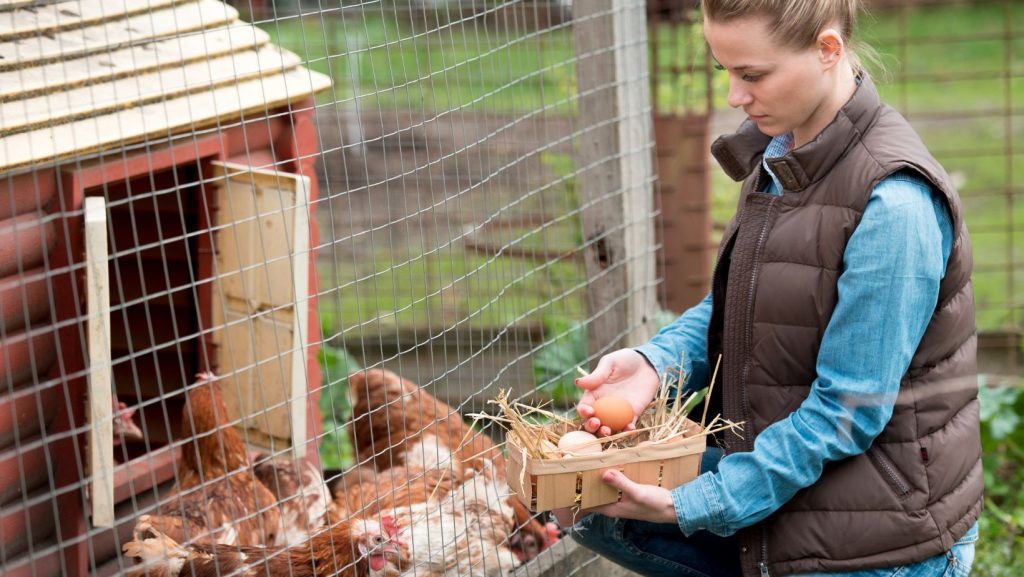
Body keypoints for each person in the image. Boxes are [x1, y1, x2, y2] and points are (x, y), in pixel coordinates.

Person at [562, 1, 982, 576]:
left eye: (752, 75)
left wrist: (697, 503)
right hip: (806, 480)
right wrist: (655, 365)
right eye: (725, 72)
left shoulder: (895, 204)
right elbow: (745, 303)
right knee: (595, 509)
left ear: (827, 50)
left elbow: (847, 411)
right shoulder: (785, 152)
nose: (734, 97)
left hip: (881, 535)